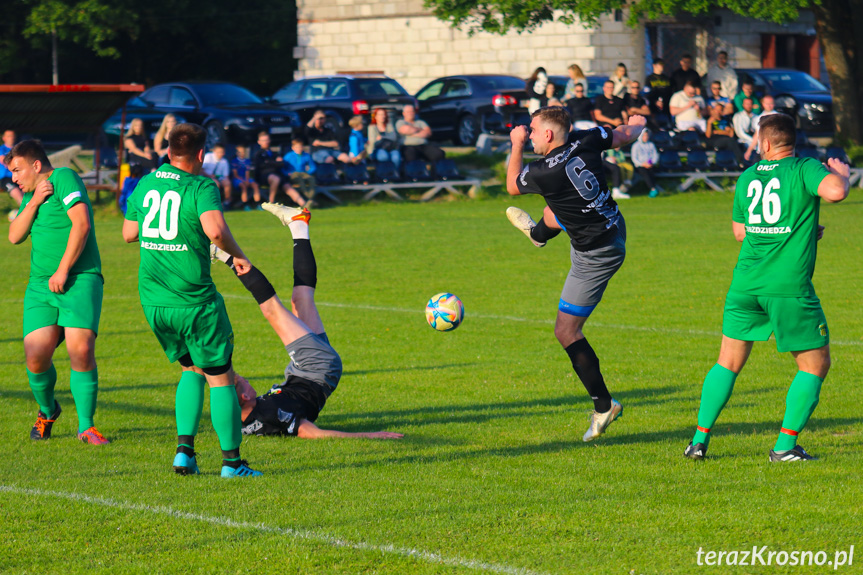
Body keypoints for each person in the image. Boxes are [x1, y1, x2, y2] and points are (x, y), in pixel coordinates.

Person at [683, 113, 850, 462]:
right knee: (815, 365)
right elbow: (835, 192)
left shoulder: (747, 177)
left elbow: (741, 232)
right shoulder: (804, 167)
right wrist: (843, 175)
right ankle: (785, 447)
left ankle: (698, 441)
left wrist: (801, 229)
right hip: (786, 286)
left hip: (745, 284)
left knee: (727, 362)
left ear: (766, 143)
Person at [122, 123, 261, 478]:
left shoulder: (147, 182)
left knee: (189, 370)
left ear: (168, 151)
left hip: (154, 301)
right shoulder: (201, 186)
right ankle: (232, 463)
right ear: (201, 154)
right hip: (194, 301)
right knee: (219, 376)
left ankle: (184, 454)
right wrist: (239, 254)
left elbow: (129, 233)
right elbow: (215, 230)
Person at [503, 106, 646, 441]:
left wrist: (516, 144)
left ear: (549, 134)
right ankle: (539, 235)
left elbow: (512, 185)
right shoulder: (587, 138)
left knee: (566, 331)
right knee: (558, 206)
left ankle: (604, 406)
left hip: (596, 254)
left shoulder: (542, 173)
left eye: (533, 130)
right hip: (612, 223)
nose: (530, 133)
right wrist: (638, 125)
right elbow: (624, 134)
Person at [210, 203, 405, 440]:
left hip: (310, 372)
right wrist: (371, 435)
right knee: (272, 310)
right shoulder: (269, 414)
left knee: (300, 300)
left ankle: (299, 224)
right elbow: (312, 432)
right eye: (244, 383)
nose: (248, 381)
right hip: (314, 367)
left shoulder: (239, 423)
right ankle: (225, 255)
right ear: (244, 397)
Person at [7, 139, 108, 445]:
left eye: (17, 170)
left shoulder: (63, 178)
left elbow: (82, 225)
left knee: (80, 350)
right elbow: (14, 236)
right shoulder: (33, 194)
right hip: (40, 287)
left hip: (78, 278)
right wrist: (34, 201)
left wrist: (63, 269)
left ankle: (87, 426)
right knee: (35, 358)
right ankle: (48, 410)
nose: (14, 177)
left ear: (36, 165)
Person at [705, 102, 744, 167]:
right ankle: (740, 161)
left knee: (735, 142)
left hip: (727, 141)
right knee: (730, 141)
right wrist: (709, 124)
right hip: (715, 141)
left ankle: (730, 164)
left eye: (720, 110)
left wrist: (717, 132)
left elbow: (731, 134)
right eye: (716, 110)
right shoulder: (709, 120)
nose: (717, 112)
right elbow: (708, 135)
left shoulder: (726, 120)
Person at [744, 95, 779, 161]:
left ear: (774, 104)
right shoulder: (759, 118)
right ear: (763, 104)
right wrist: (749, 150)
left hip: (774, 152)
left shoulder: (778, 117)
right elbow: (757, 135)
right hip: (761, 152)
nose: (769, 106)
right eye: (767, 104)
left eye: (771, 103)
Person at [281, 138, 313, 207]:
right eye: (297, 147)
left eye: (301, 147)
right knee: (300, 181)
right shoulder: (288, 156)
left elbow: (313, 167)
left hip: (303, 173)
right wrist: (287, 173)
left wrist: (309, 172)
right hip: (293, 174)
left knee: (311, 180)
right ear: (293, 148)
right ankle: (308, 199)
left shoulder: (306, 155)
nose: (299, 149)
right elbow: (282, 167)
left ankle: (311, 199)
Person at [253, 131, 284, 203]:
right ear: (259, 142)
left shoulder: (274, 153)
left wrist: (268, 162)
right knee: (276, 179)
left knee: (287, 186)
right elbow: (260, 166)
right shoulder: (258, 154)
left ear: (269, 140)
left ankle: (305, 204)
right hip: (263, 177)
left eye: (267, 140)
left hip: (276, 175)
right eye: (263, 140)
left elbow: (281, 164)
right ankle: (271, 202)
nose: (266, 142)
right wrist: (275, 163)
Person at [0, 129, 24, 220]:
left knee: (28, 196)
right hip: (6, 178)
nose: (11, 138)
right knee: (18, 195)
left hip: (21, 177)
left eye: (13, 136)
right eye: (9, 136)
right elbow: (4, 161)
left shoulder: (19, 149)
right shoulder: (1, 149)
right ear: (4, 138)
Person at [630, 129, 659, 197]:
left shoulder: (651, 144)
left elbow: (655, 155)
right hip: (639, 166)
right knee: (645, 172)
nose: (646, 137)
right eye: (644, 135)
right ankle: (653, 189)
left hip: (650, 165)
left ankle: (653, 189)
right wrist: (642, 164)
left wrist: (651, 163)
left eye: (647, 135)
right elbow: (634, 158)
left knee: (651, 172)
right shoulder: (636, 145)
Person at [231, 145, 261, 210]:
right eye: (240, 152)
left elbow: (247, 172)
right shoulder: (234, 161)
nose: (242, 153)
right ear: (237, 153)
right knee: (243, 186)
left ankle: (258, 204)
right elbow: (235, 174)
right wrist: (243, 181)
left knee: (255, 185)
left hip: (246, 178)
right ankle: (246, 205)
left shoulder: (247, 161)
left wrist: (247, 180)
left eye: (243, 152)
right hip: (237, 179)